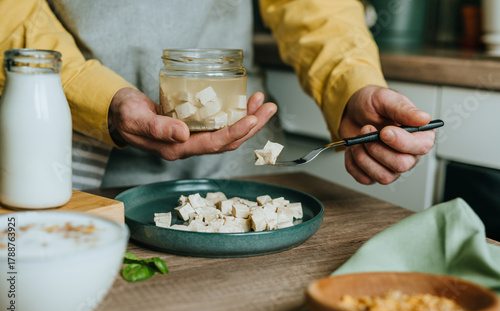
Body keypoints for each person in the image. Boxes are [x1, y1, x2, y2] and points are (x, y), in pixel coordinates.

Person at [0, 0, 435, 190]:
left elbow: (312, 5)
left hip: (240, 154)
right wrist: (98, 98)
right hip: (73, 147)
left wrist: (351, 83)